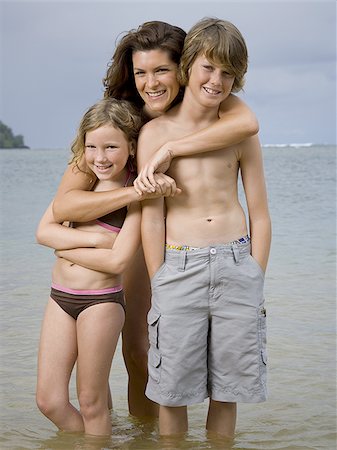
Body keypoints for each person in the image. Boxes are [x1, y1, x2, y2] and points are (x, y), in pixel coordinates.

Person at [51, 20, 260, 418]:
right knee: (137, 352)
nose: (151, 83)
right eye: (141, 72)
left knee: (153, 354)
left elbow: (249, 125)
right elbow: (65, 205)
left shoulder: (218, 107)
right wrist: (139, 189)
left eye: (161, 70)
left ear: (182, 69)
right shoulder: (121, 119)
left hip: (186, 246)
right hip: (134, 241)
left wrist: (171, 150)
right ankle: (139, 436)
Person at [138, 18, 272, 438]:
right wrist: (159, 276)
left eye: (228, 73)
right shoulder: (155, 132)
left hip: (236, 264)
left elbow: (260, 212)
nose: (217, 81)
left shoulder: (239, 132)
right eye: (208, 68)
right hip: (179, 268)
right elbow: (153, 215)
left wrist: (255, 272)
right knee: (171, 392)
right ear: (188, 66)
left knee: (227, 391)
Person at [35, 98, 174, 436]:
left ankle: (100, 441)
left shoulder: (137, 194)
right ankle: (107, 441)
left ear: (130, 146)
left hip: (101, 303)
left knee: (91, 401)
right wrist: (95, 241)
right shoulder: (83, 178)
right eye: (91, 146)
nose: (100, 157)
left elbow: (118, 260)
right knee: (49, 401)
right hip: (59, 297)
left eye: (111, 147)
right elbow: (42, 232)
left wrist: (66, 247)